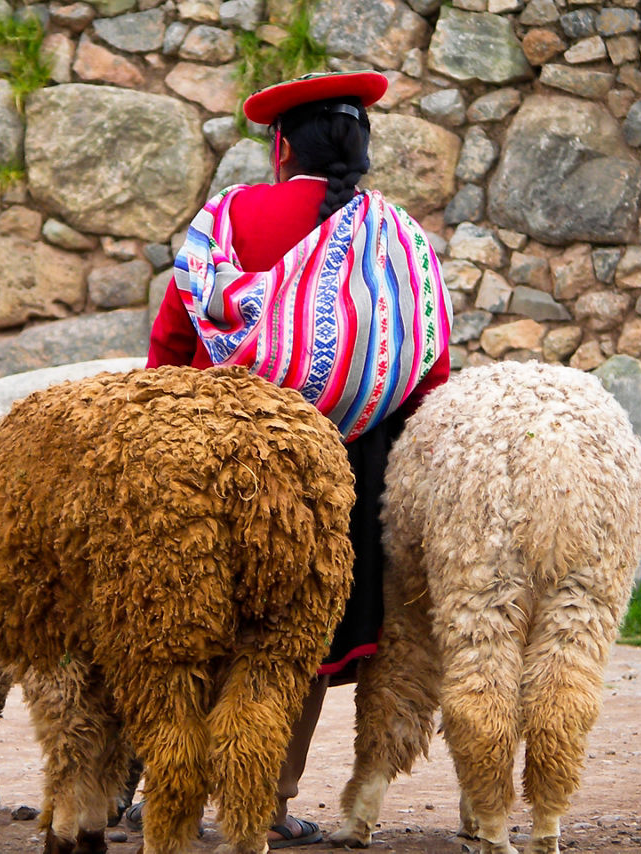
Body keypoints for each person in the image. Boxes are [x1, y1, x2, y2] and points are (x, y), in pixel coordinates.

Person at [146, 70, 453, 847]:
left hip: (220, 453)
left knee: (197, 629)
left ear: (280, 148)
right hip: (341, 469)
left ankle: (174, 796)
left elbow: (173, 343)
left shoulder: (226, 220)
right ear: (362, 145)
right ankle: (270, 800)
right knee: (298, 639)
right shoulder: (399, 239)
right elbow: (429, 369)